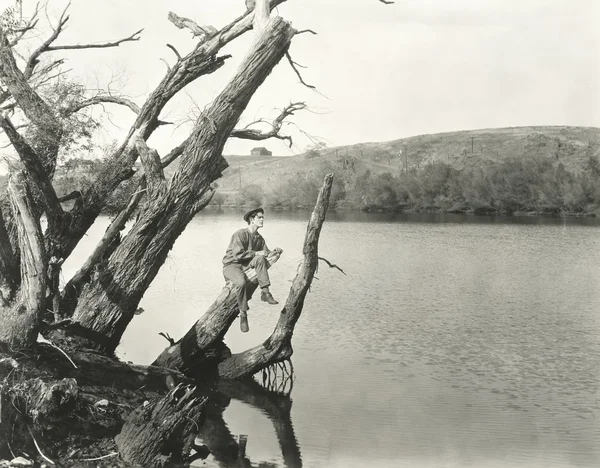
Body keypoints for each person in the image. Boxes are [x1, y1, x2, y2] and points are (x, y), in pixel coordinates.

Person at [222, 207, 283, 314]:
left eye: (263, 218)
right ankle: (243, 312)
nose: (262, 220)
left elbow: (265, 254)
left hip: (246, 265)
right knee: (241, 283)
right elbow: (238, 255)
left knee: (260, 259)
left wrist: (276, 252)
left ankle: (265, 293)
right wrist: (256, 253)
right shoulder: (240, 234)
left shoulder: (259, 238)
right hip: (231, 265)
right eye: (259, 217)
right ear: (251, 219)